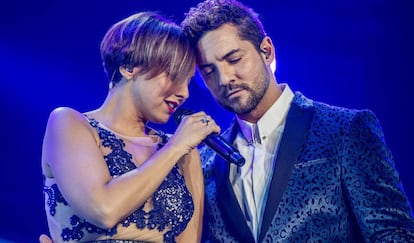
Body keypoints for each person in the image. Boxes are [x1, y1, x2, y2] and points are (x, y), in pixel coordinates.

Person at [180, 0, 414, 242]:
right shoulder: (205, 163)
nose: (225, 78)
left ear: (267, 51)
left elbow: (394, 234)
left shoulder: (345, 130)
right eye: (209, 71)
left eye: (234, 59)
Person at [41, 11, 221, 243]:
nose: (184, 93)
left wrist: (177, 147)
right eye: (173, 75)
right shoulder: (69, 124)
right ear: (129, 66)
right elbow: (104, 210)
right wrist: (176, 146)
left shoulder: (184, 153)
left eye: (188, 81)